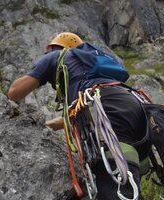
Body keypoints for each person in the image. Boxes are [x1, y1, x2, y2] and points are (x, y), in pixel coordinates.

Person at [8, 32, 149, 199]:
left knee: (113, 181)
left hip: (102, 107)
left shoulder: (56, 55)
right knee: (125, 167)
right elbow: (81, 108)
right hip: (134, 105)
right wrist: (52, 124)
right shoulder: (93, 62)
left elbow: (14, 93)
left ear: (56, 47)